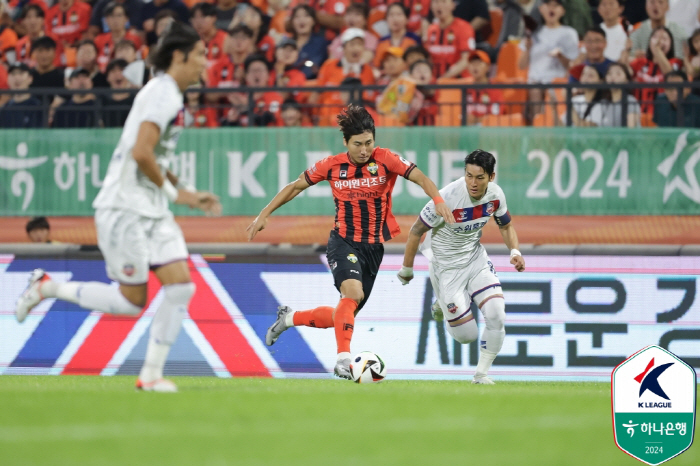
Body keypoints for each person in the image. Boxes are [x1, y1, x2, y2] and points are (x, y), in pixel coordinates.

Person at [14, 22, 221, 393]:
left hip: (151, 209)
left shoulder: (167, 93)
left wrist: (186, 192)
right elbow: (142, 153)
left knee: (181, 288)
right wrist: (178, 197)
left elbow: (153, 155)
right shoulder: (164, 94)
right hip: (124, 208)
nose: (206, 64)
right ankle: (47, 287)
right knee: (131, 302)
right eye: (202, 55)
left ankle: (151, 376)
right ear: (179, 56)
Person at [247, 104, 453, 379]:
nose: (364, 150)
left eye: (369, 142)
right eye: (358, 144)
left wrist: (438, 200)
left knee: (344, 313)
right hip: (343, 240)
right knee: (352, 295)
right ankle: (343, 359)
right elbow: (295, 185)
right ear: (346, 142)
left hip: (374, 248)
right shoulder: (331, 166)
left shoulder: (386, 159)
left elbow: (420, 177)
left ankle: (288, 318)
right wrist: (264, 213)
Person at [397, 150, 525, 385]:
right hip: (446, 268)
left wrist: (514, 251)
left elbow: (506, 226)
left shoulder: (496, 195)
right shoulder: (446, 198)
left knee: (497, 314)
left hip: (475, 259)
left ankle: (481, 375)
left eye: (479, 177)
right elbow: (415, 231)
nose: (473, 183)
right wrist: (407, 268)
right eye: (469, 176)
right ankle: (442, 306)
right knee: (467, 336)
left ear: (491, 177)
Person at [630, 26, 683, 111]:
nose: (659, 41)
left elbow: (671, 75)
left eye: (664, 39)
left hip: (663, 116)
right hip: (638, 116)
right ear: (649, 41)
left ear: (671, 44)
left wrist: (657, 50)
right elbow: (622, 71)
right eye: (655, 37)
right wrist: (626, 50)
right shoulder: (640, 62)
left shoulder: (676, 62)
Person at [424, 0, 475, 79]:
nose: (439, 5)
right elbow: (428, 59)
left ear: (453, 5)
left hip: (458, 83)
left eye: (443, 1)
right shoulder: (430, 30)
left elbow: (465, 60)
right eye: (436, 2)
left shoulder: (464, 27)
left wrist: (444, 79)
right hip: (434, 82)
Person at [94, 2, 143, 71]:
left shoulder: (135, 39)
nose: (115, 20)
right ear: (105, 20)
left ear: (126, 19)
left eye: (119, 15)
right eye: (111, 16)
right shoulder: (99, 40)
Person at [286, 4, 329, 79]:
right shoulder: (286, 44)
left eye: (306, 16)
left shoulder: (321, 43)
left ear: (313, 21)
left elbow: (314, 68)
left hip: (310, 86)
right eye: (297, 16)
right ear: (292, 22)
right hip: (287, 84)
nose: (301, 20)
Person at [0, 62, 44, 128]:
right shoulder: (4, 109)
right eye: (13, 74)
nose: (16, 77)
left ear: (30, 78)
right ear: (8, 79)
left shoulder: (38, 107)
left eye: (21, 73)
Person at [466, 49, 503, 125]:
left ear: (488, 67)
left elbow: (496, 115)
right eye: (472, 63)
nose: (475, 66)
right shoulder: (466, 90)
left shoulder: (495, 90)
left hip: (488, 132)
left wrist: (477, 120)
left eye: (479, 63)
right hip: (468, 131)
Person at [603, 61, 641, 127]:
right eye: (609, 74)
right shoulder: (603, 103)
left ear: (626, 80)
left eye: (618, 74)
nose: (613, 77)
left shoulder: (630, 101)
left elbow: (631, 129)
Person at [190, 2, 228, 67]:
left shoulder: (225, 38)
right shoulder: (191, 40)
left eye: (203, 16)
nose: (198, 21)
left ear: (214, 18)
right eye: (195, 17)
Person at [101, 58, 136, 127]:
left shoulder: (136, 99)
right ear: (107, 77)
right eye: (113, 71)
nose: (117, 74)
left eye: (121, 70)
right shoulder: (102, 100)